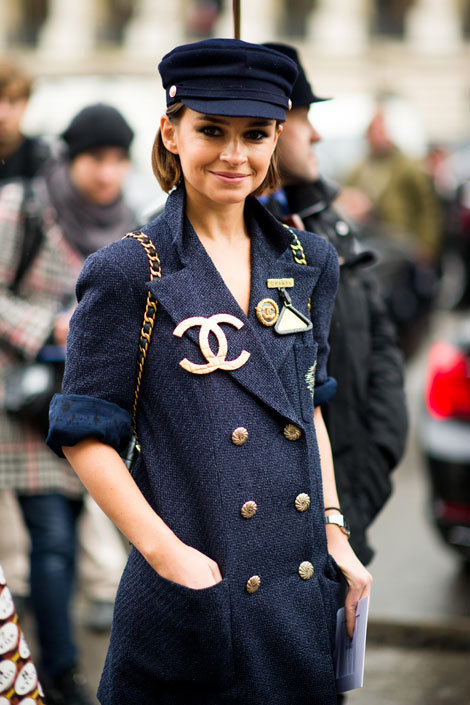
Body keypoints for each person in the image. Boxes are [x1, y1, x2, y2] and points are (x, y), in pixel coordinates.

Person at [46, 38, 372, 705]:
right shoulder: (129, 268)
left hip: (301, 590)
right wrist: (171, 560)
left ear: (278, 137)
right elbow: (84, 433)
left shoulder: (310, 261)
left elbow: (307, 405)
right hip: (195, 593)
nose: (234, 154)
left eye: (255, 134)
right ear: (172, 130)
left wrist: (335, 530)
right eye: (211, 131)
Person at [0, 102, 135, 705]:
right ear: (70, 157)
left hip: (91, 401)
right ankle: (61, 673)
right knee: (51, 536)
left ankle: (59, 667)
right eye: (94, 159)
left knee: (76, 526)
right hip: (23, 400)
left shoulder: (128, 220)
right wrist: (49, 325)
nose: (106, 174)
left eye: (117, 160)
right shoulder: (23, 208)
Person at [262, 43, 408, 570]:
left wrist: (374, 464)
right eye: (304, 117)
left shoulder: (329, 221)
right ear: (272, 126)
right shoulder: (216, 238)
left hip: (351, 494)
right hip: (268, 522)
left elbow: (382, 340)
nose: (316, 133)